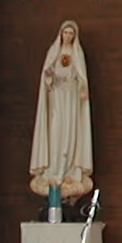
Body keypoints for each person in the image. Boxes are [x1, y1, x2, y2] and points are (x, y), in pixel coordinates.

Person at [30, 20, 93, 200]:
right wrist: (49, 77)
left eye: (71, 33)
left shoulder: (76, 54)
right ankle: (55, 169)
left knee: (70, 132)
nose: (68, 36)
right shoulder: (54, 52)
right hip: (58, 97)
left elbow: (81, 76)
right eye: (65, 33)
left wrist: (81, 87)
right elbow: (47, 75)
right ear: (61, 34)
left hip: (71, 99)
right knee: (56, 132)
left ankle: (69, 170)